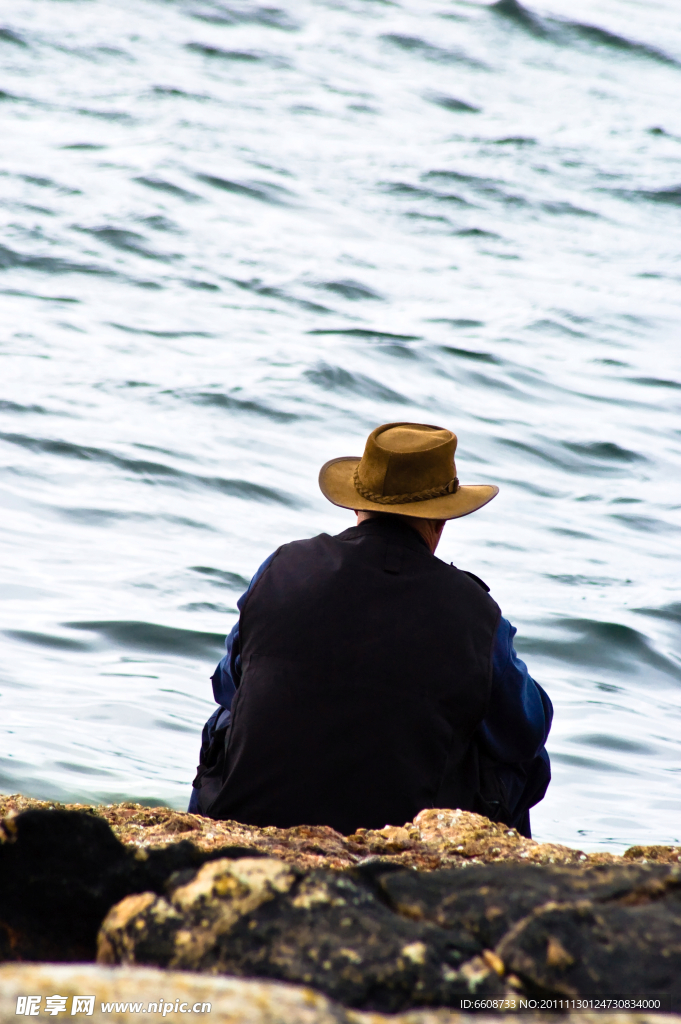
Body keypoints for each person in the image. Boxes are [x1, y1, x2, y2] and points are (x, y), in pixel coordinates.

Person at [189, 422, 552, 838]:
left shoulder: (282, 566)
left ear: (356, 505)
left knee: (228, 715)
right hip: (399, 834)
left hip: (250, 815)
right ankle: (495, 880)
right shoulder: (476, 613)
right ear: (440, 523)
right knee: (525, 759)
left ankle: (205, 838)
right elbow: (525, 731)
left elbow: (228, 682)